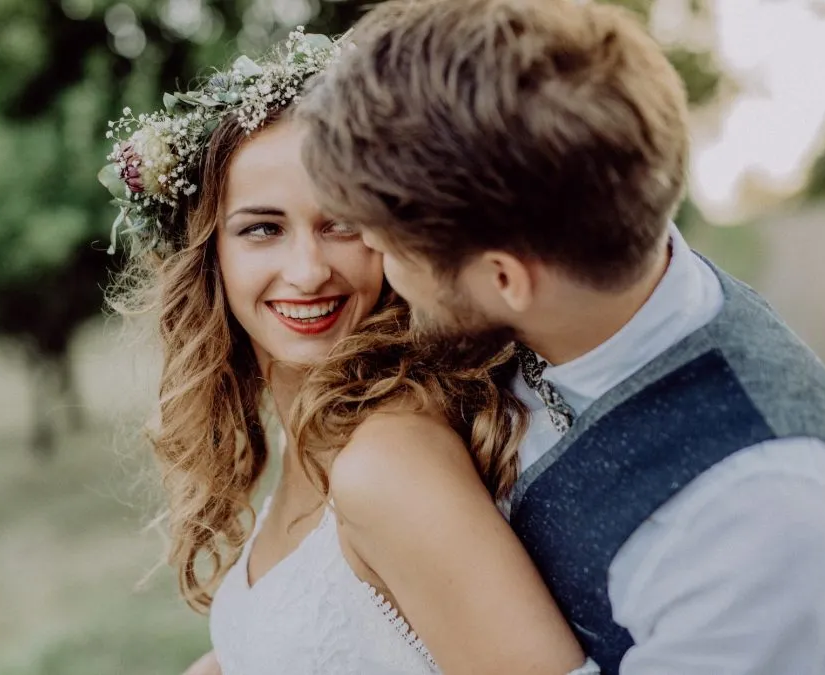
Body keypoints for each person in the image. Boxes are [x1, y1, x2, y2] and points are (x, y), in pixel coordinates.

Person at [295, 1, 825, 674]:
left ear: (505, 278)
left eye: (392, 250)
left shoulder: (766, 517)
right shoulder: (558, 275)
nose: (381, 269)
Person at [103, 30, 597, 675]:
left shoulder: (389, 462)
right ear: (210, 257)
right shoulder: (313, 432)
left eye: (342, 224)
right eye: (263, 228)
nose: (308, 272)